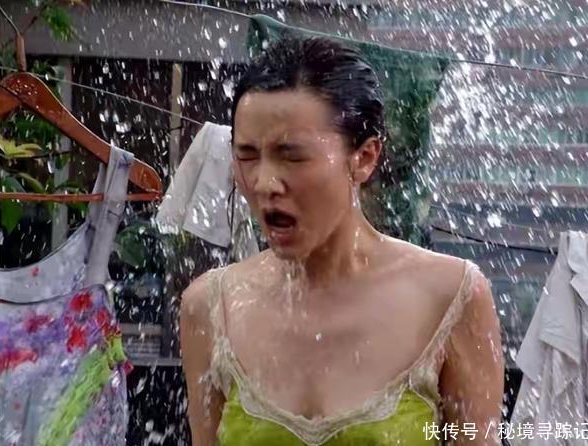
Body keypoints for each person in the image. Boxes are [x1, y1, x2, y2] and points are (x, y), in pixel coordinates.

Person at [181, 35, 504, 446]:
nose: (264, 183)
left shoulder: (451, 297)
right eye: (246, 156)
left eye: (292, 156)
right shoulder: (210, 307)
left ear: (364, 158)